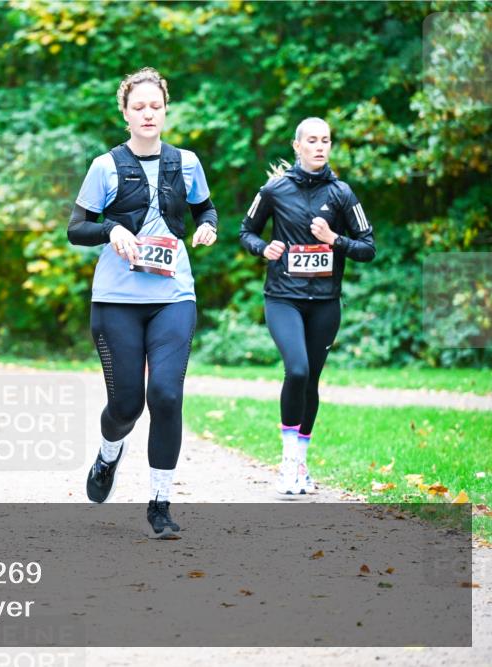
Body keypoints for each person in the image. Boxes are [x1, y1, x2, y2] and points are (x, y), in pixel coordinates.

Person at [68, 68, 218, 539]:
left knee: (167, 396)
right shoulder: (105, 166)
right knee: (127, 405)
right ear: (126, 113)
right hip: (116, 301)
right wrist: (111, 229)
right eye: (139, 107)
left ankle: (160, 503)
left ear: (165, 110)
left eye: (156, 106)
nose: (148, 114)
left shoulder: (187, 163)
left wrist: (207, 226)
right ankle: (109, 454)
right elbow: (77, 228)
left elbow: (205, 209)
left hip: (174, 296)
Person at [239, 117, 376, 498]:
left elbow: (368, 247)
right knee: (296, 370)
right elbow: (245, 231)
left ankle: (301, 462)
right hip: (283, 298)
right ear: (297, 146)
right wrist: (262, 248)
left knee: (311, 380)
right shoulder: (274, 189)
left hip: (325, 305)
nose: (319, 147)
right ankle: (286, 462)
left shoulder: (342, 194)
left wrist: (335, 240)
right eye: (312, 141)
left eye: (326, 141)